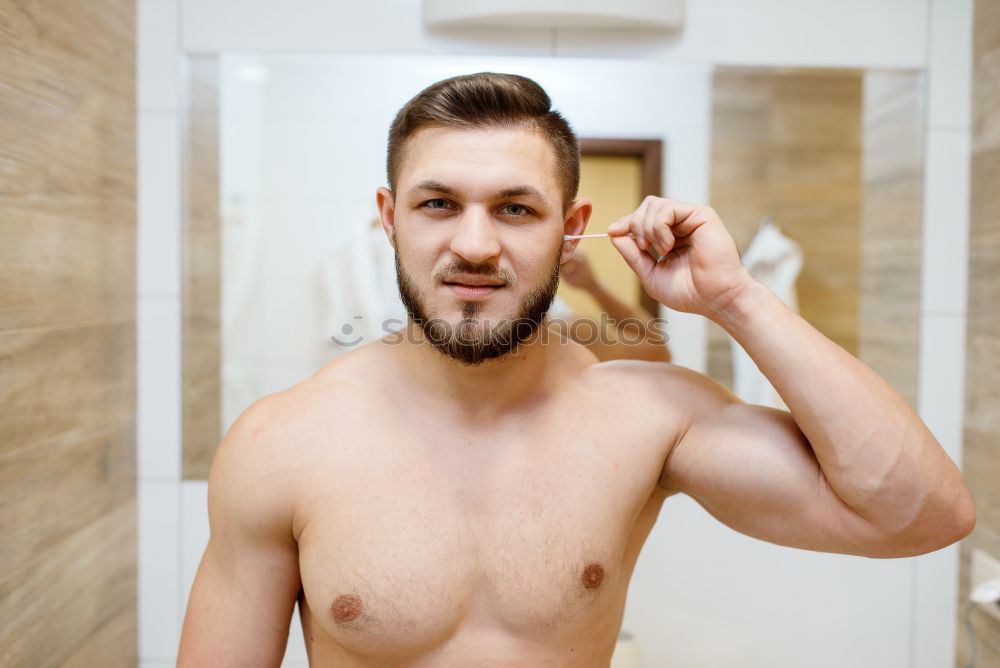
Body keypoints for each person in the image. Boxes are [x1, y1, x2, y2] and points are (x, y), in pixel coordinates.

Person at [177, 72, 975, 667]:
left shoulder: (644, 418)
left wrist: (737, 299)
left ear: (571, 229)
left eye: (516, 209)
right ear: (390, 220)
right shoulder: (282, 442)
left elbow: (921, 517)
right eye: (438, 204)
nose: (477, 245)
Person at [556, 246, 671, 363]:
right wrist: (594, 287)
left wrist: (592, 286)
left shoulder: (559, 324)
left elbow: (658, 351)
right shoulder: (563, 330)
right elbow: (658, 353)